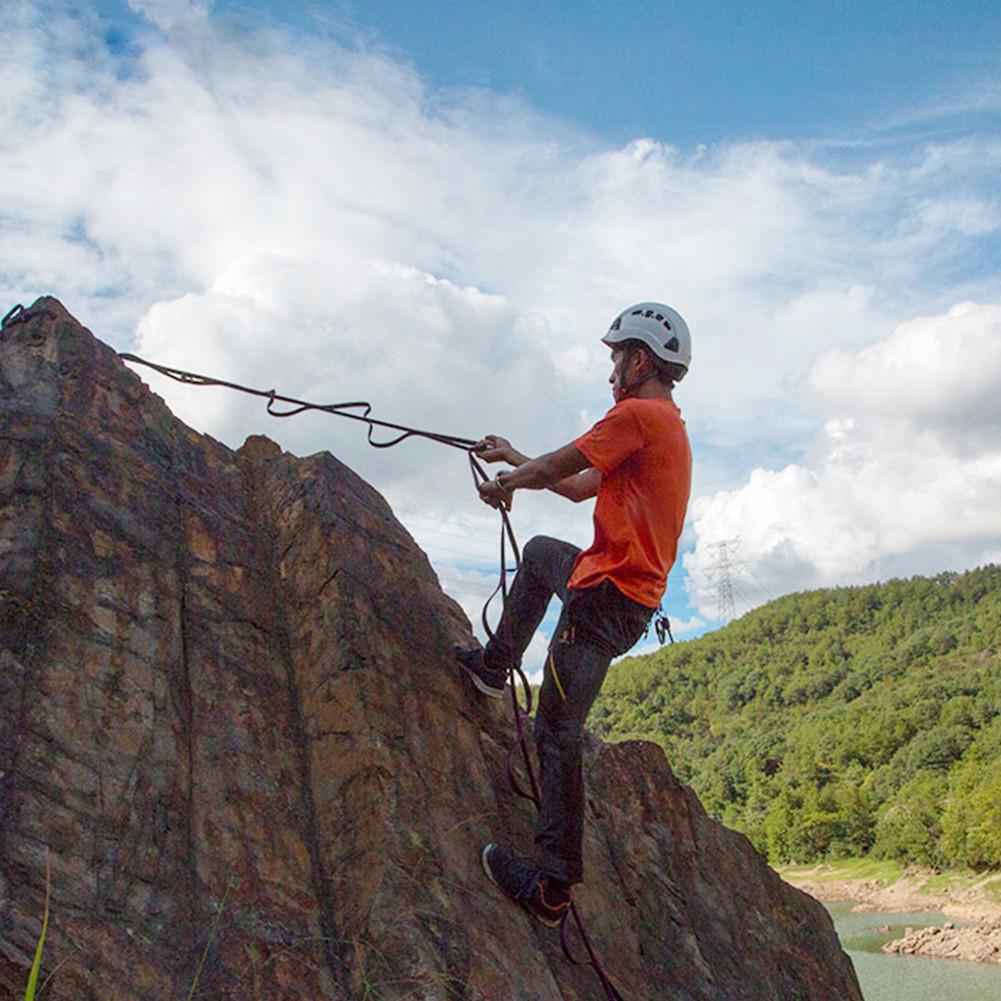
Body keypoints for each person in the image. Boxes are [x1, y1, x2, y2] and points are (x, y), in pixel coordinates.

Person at [455, 302, 693, 928]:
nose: (612, 369)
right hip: (613, 590)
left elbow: (559, 469)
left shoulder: (639, 413)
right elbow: (578, 484)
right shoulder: (659, 423)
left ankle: (552, 887)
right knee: (539, 555)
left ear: (638, 360)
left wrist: (509, 483)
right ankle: (492, 667)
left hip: (605, 600)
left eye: (617, 356)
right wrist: (514, 460)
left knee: (556, 733)